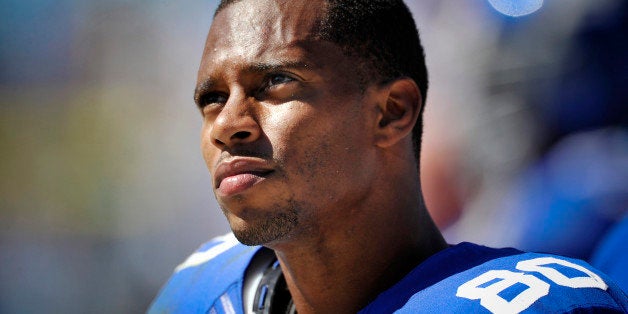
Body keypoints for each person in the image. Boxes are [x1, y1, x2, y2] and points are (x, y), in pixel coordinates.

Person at [149, 0, 628, 313]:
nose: (228, 125)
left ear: (391, 113)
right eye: (211, 98)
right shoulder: (201, 292)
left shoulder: (528, 300)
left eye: (275, 82)